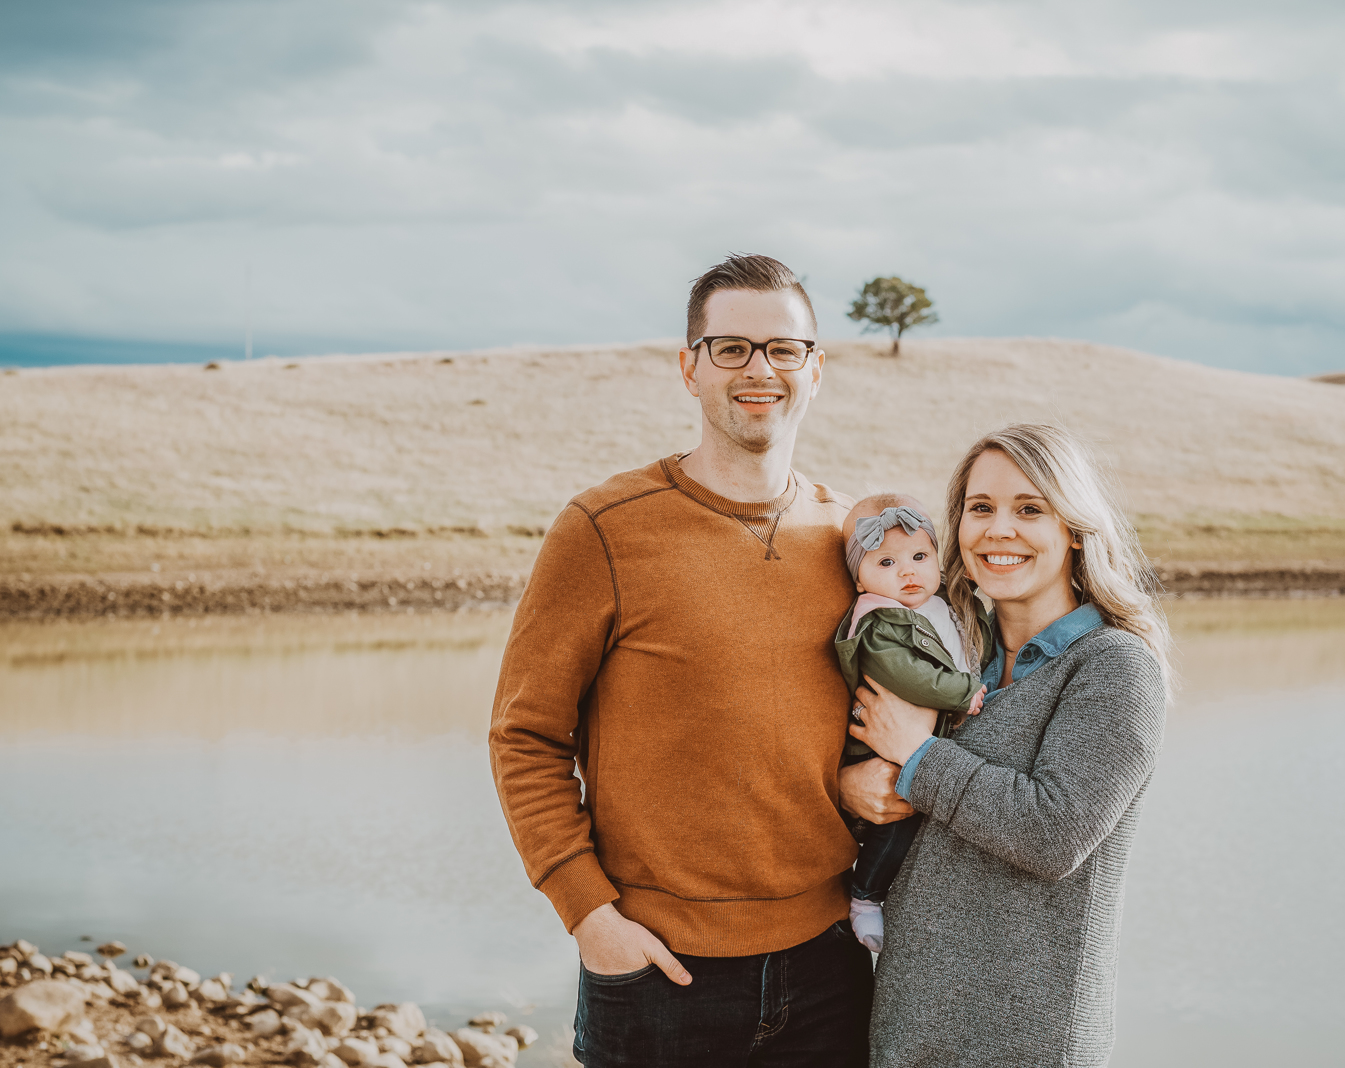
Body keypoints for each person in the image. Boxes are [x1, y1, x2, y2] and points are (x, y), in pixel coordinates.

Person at [488, 254, 873, 1067]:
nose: (758, 369)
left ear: (817, 369)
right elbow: (524, 735)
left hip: (831, 969)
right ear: (689, 367)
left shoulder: (854, 540)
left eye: (783, 349)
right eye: (730, 348)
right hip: (659, 973)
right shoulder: (603, 529)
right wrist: (590, 916)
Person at [844, 422, 1173, 1067]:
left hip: (1025, 1042)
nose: (999, 530)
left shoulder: (1114, 667)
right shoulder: (959, 659)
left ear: (1074, 530)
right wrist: (852, 785)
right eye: (980, 508)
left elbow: (1053, 833)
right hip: (908, 1030)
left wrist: (919, 756)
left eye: (1030, 509)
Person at [831, 494, 987, 951]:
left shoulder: (947, 607)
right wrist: (962, 693)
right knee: (897, 821)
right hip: (880, 750)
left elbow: (975, 640)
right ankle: (865, 897)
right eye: (886, 562)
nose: (908, 571)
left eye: (920, 556)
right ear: (859, 581)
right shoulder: (880, 623)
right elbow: (906, 674)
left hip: (927, 740)